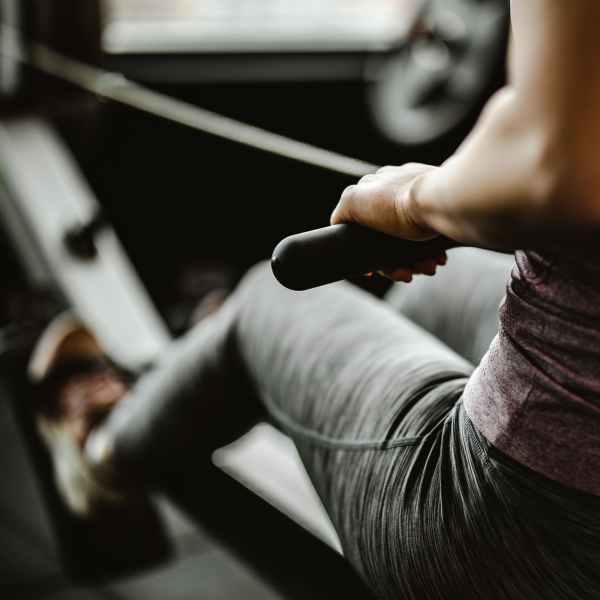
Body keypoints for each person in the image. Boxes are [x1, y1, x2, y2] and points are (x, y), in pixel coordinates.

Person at [35, 2, 600, 598]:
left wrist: (413, 200)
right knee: (441, 288)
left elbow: (552, 168)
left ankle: (101, 456)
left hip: (540, 534)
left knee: (268, 307)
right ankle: (310, 391)